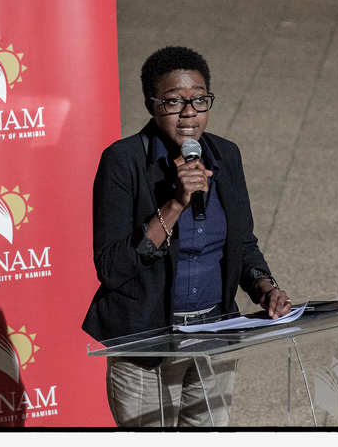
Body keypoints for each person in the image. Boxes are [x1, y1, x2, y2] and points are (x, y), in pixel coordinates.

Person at [82, 46, 291, 427]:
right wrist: (175, 204)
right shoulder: (123, 161)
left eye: (199, 99)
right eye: (174, 101)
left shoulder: (226, 155)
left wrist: (265, 288)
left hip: (214, 333)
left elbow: (242, 244)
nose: (189, 112)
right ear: (151, 104)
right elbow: (111, 267)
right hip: (147, 341)